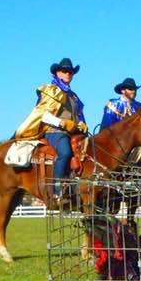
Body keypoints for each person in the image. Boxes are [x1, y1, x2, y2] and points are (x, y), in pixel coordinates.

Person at [14, 57, 88, 201]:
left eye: (70, 72)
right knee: (65, 152)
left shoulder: (73, 96)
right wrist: (62, 123)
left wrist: (81, 124)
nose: (68, 74)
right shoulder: (50, 90)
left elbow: (78, 116)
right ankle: (57, 189)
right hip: (54, 131)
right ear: (57, 73)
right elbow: (42, 115)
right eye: (64, 71)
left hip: (73, 132)